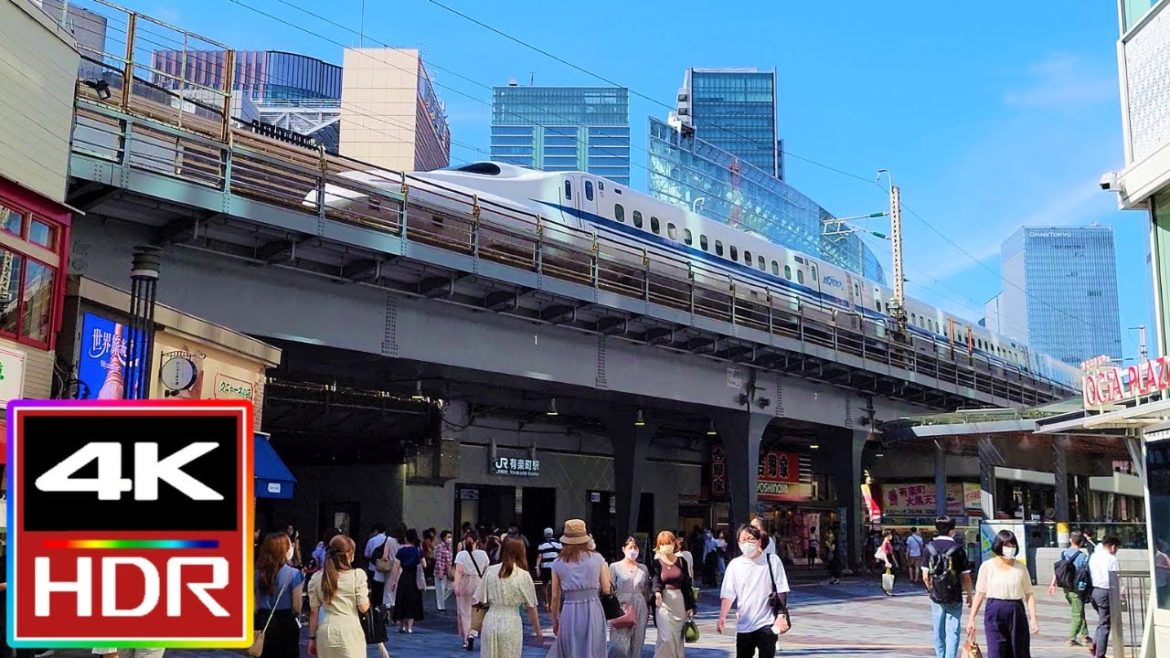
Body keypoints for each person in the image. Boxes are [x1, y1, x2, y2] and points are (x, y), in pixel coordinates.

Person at [717, 524, 790, 658]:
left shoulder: (772, 561)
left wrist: (781, 615)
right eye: (743, 540)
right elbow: (728, 594)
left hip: (767, 623)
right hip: (744, 625)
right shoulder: (735, 565)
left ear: (759, 541)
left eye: (750, 539)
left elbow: (781, 590)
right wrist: (722, 616)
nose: (746, 543)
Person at [966, 530, 1038, 658]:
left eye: (1013, 546)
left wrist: (1033, 618)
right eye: (1007, 545)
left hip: (1016, 609)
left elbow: (1029, 594)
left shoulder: (1020, 567)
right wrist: (972, 618)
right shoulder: (987, 566)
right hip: (994, 609)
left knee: (1018, 650)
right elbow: (980, 593)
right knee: (996, 650)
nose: (1010, 549)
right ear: (998, 545)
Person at [547, 519, 610, 658]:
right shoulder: (598, 559)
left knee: (571, 650)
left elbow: (555, 596)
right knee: (593, 649)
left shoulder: (557, 563)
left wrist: (555, 619)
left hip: (569, 610)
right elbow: (606, 589)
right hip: (593, 608)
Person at [474, 537, 542, 657]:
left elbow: (480, 599)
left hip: (490, 621)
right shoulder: (523, 575)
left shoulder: (490, 571)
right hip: (511, 622)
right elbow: (531, 607)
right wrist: (537, 630)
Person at [307, 534, 370, 658]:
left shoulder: (317, 578)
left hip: (325, 630)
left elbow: (314, 612)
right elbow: (363, 607)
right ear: (349, 554)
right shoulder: (358, 575)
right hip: (350, 629)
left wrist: (312, 638)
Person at [922, 516, 973, 658]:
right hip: (955, 594)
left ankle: (940, 655)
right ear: (952, 530)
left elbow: (925, 576)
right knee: (953, 630)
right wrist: (969, 594)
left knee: (938, 629)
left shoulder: (929, 548)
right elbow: (966, 577)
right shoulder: (958, 549)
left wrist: (931, 589)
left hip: (936, 595)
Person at [254, 532, 305, 658]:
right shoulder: (294, 574)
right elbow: (297, 606)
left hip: (262, 621)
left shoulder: (256, 573)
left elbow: (253, 605)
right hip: (285, 622)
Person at [650, 530, 695, 658]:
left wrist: (690, 606)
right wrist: (657, 593)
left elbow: (687, 585)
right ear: (658, 546)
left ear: (674, 543)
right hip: (663, 602)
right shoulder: (657, 563)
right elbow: (655, 581)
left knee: (677, 638)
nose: (666, 546)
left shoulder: (681, 561)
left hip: (679, 601)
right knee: (666, 638)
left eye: (668, 543)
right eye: (663, 544)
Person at [1046, 531, 1091, 647]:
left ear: (1070, 540)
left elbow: (1058, 571)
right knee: (1078, 615)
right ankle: (1071, 638)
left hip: (1066, 588)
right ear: (1081, 542)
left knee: (1078, 612)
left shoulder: (1063, 553)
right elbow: (1087, 573)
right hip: (1077, 589)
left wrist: (1052, 584)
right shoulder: (1083, 557)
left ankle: (1085, 636)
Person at [609, 537, 651, 658]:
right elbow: (610, 589)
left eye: (635, 548)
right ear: (623, 549)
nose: (633, 551)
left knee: (637, 641)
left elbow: (646, 589)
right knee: (619, 644)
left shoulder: (643, 568)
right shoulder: (615, 566)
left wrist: (648, 608)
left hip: (640, 605)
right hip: (621, 606)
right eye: (630, 548)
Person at [1088, 536, 1123, 658]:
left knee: (1102, 620)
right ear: (1113, 546)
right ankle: (1100, 654)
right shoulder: (1112, 559)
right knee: (1105, 624)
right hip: (1106, 592)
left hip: (1095, 591)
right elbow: (1116, 578)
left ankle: (1095, 645)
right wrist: (1121, 593)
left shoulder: (1094, 556)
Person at [456, 530, 491, 650]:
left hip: (464, 583)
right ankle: (473, 634)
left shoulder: (461, 555)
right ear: (477, 541)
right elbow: (487, 571)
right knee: (477, 612)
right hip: (479, 584)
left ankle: (466, 639)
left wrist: (456, 585)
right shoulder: (483, 554)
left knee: (464, 613)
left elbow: (458, 572)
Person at [393, 528, 426, 633]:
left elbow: (396, 566)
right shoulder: (418, 550)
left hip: (404, 577)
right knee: (412, 601)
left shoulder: (401, 551)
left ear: (406, 538)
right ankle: (410, 627)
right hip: (414, 578)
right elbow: (424, 564)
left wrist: (394, 581)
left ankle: (402, 625)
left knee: (402, 600)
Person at [536, 527, 563, 610]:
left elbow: (540, 556)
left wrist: (537, 567)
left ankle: (546, 603)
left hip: (545, 566)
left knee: (545, 585)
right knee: (555, 585)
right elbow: (561, 555)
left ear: (544, 534)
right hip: (555, 567)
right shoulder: (558, 543)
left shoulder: (542, 544)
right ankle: (553, 603)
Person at [434, 529, 455, 613]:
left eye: (450, 537)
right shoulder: (440, 547)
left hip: (448, 571)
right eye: (448, 537)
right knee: (441, 589)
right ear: (443, 538)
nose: (450, 538)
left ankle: (440, 600)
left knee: (451, 587)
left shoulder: (449, 548)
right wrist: (440, 572)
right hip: (441, 571)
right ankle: (441, 606)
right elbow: (438, 560)